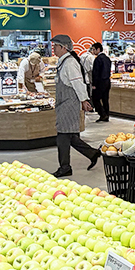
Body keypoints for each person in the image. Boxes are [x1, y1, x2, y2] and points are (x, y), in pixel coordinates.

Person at [50, 34, 99, 177]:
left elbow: (78, 83)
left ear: (64, 47)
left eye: (56, 46)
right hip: (64, 103)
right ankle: (92, 153)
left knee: (63, 136)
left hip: (69, 103)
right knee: (70, 136)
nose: (54, 48)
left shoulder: (70, 63)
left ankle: (65, 167)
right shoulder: (63, 62)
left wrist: (84, 100)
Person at [91, 42, 112, 121]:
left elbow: (96, 73)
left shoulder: (98, 59)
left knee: (95, 99)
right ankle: (106, 115)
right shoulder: (107, 58)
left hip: (100, 82)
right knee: (105, 99)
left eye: (94, 49)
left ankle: (102, 114)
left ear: (98, 49)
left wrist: (94, 84)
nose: (93, 51)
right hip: (107, 81)